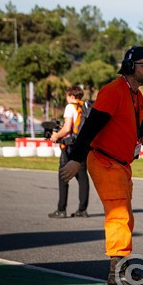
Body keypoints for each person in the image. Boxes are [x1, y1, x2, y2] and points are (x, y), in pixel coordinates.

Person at [59, 45, 143, 285]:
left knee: (126, 218)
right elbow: (90, 128)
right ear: (131, 67)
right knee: (119, 216)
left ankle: (120, 267)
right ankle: (116, 275)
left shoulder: (137, 96)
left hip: (122, 165)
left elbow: (142, 131)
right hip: (104, 161)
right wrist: (75, 158)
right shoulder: (113, 91)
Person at [48, 85, 90, 218]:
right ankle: (82, 209)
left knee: (63, 176)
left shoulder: (70, 107)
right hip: (82, 144)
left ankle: (61, 209)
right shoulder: (84, 107)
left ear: (71, 96)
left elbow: (67, 129)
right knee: (82, 176)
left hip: (69, 145)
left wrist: (56, 136)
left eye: (67, 96)